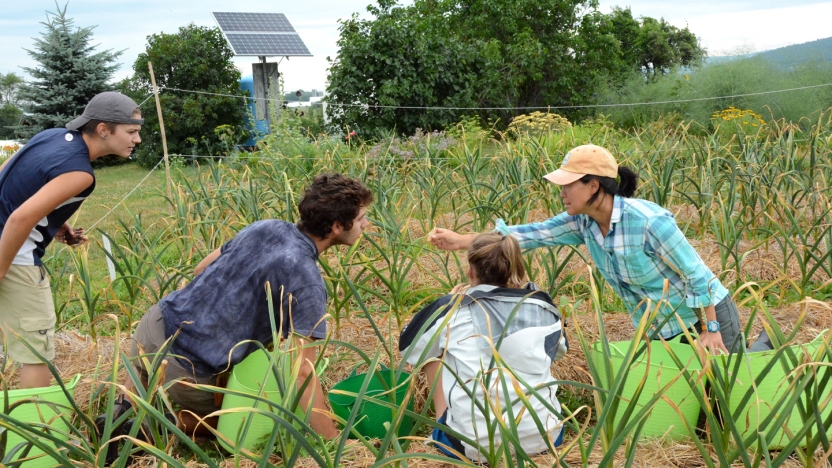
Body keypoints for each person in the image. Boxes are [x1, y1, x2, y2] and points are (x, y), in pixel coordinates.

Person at [100, 173, 372, 446]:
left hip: (152, 326)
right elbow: (302, 372)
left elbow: (200, 269)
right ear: (337, 226)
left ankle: (122, 408)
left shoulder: (267, 226)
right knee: (238, 424)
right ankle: (151, 425)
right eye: (361, 219)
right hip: (184, 367)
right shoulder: (307, 281)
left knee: (145, 366)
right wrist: (335, 444)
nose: (366, 224)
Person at [430, 144, 769, 355]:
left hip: (703, 316)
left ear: (593, 185)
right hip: (660, 328)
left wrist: (711, 331)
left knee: (731, 398)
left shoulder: (649, 221)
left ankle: (773, 348)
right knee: (694, 413)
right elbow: (532, 235)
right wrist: (462, 240)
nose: (561, 192)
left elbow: (698, 276)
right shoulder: (583, 222)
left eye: (567, 184)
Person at [0, 92, 143, 389]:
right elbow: (19, 220)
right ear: (104, 129)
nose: (137, 139)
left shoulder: (51, 136)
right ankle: (35, 432)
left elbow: (8, 175)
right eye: (131, 132)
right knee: (36, 354)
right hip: (13, 254)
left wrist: (58, 223)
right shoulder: (81, 174)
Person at [400, 232, 568, 462]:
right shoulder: (543, 307)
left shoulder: (451, 308)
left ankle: (444, 423)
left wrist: (448, 303)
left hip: (471, 446)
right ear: (516, 268)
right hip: (545, 437)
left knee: (433, 349)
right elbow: (560, 351)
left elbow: (408, 350)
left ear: (470, 270)